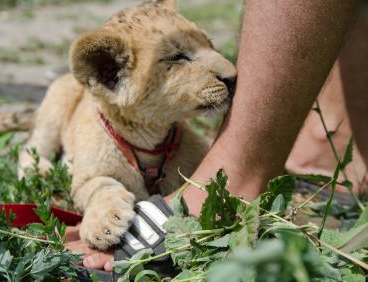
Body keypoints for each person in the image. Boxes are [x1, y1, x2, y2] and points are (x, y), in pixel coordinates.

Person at [65, 0, 368, 272]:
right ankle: (315, 155)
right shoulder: (97, 118)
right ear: (109, 73)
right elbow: (87, 180)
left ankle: (243, 176)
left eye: (207, 43)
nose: (228, 69)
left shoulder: (187, 142)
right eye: (179, 58)